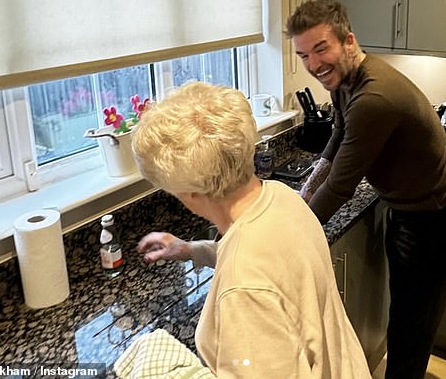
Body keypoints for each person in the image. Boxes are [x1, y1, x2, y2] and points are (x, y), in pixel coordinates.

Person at [285, 0, 446, 379]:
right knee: (408, 318)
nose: (313, 64)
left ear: (349, 41)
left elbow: (341, 185)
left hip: (436, 222)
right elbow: (337, 137)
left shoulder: (374, 97)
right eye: (303, 54)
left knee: (410, 329)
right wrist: (303, 194)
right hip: (410, 213)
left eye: (321, 48)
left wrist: (288, 231)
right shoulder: (343, 80)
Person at [133, 81, 371, 379]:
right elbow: (267, 261)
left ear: (188, 192)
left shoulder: (242, 289)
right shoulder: (280, 196)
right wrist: (189, 250)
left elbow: (253, 273)